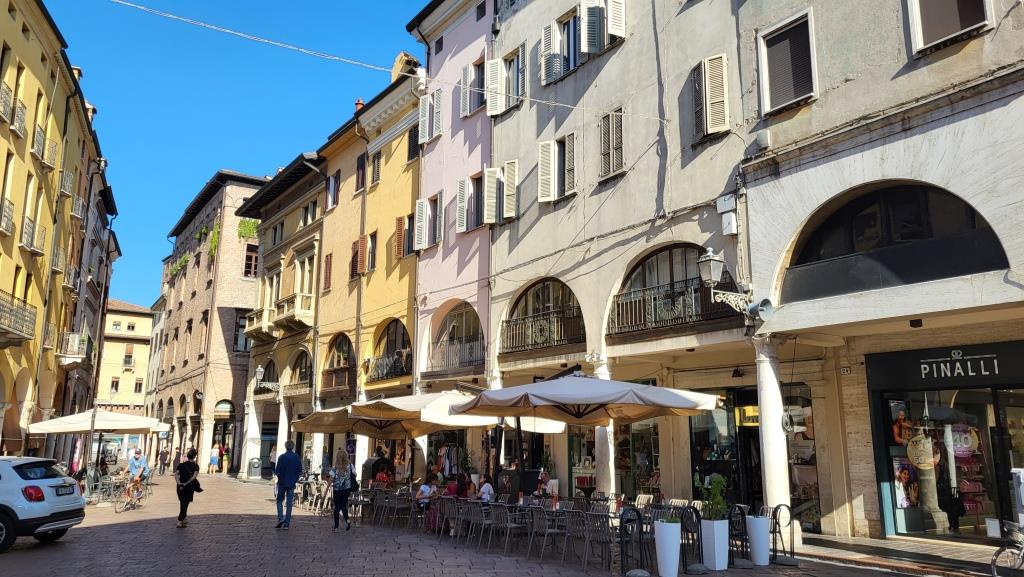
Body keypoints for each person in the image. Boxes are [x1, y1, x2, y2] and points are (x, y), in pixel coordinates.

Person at [274, 440, 303, 530]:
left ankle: (280, 518)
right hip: (291, 483)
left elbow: (277, 471)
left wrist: (279, 476)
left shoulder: (281, 457)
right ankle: (287, 524)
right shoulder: (297, 457)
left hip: (282, 482)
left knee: (279, 500)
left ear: (285, 447)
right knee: (289, 503)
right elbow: (300, 470)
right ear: (293, 447)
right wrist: (295, 478)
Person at [174, 448, 202, 528]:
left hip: (179, 487)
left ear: (187, 456)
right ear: (195, 457)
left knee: (182, 502)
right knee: (185, 504)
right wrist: (185, 484)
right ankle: (180, 521)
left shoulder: (181, 465)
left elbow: (176, 474)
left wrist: (179, 483)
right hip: (189, 486)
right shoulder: (196, 466)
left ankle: (184, 518)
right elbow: (194, 477)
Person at [330, 450, 355, 533]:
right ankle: (347, 520)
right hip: (347, 489)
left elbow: (331, 479)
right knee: (343, 506)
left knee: (337, 508)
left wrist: (326, 490)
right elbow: (355, 474)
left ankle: (336, 527)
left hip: (337, 490)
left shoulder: (335, 467)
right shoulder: (351, 466)